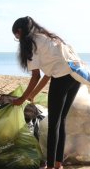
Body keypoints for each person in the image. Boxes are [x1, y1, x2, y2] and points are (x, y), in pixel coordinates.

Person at [11, 16, 81, 169]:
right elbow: (48, 74)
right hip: (76, 77)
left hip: (62, 79)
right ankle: (57, 164)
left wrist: (22, 99)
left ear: (20, 31)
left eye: (16, 36)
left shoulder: (30, 43)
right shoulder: (48, 38)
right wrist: (33, 94)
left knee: (53, 124)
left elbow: (36, 75)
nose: (17, 40)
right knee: (61, 120)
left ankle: (50, 166)